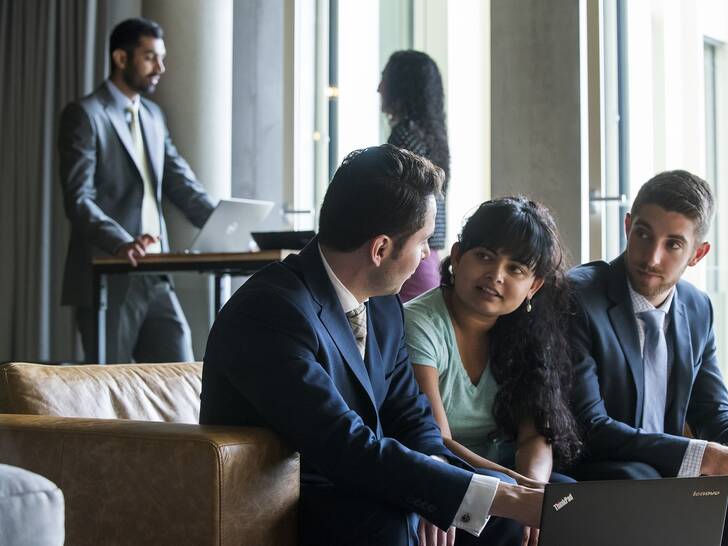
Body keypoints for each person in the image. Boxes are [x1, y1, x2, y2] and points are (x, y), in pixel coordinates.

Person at [200, 145, 544, 546]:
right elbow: (343, 445)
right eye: (423, 242)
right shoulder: (270, 311)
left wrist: (440, 491)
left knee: (498, 518)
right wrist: (482, 495)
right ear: (380, 249)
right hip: (293, 497)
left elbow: (412, 418)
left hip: (361, 483)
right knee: (402, 520)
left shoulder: (383, 306)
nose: (426, 258)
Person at [568, 170, 728, 546]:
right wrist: (710, 458)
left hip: (669, 473)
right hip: (604, 469)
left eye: (673, 244)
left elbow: (711, 409)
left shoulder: (697, 307)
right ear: (627, 226)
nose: (651, 256)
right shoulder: (579, 297)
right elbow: (590, 427)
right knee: (641, 480)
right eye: (643, 234)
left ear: (697, 253)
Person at [404, 197, 581, 546]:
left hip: (502, 474)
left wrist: (535, 488)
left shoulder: (530, 331)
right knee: (506, 512)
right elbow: (437, 439)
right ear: (456, 257)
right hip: (443, 470)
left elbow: (536, 434)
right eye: (484, 256)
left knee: (570, 501)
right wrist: (517, 493)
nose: (496, 276)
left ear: (534, 286)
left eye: (516, 268)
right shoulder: (420, 322)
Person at [58, 17, 215, 363]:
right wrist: (119, 240)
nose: (160, 67)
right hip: (109, 271)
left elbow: (181, 185)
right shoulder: (84, 115)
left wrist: (226, 224)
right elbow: (78, 198)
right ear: (120, 58)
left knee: (179, 378)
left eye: (161, 57)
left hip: (156, 273)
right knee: (108, 390)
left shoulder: (153, 116)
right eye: (150, 57)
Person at [379, 50, 450, 302]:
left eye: (384, 79)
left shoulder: (404, 138)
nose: (379, 88)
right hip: (428, 256)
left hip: (408, 256)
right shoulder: (431, 137)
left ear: (401, 87)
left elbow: (398, 206)